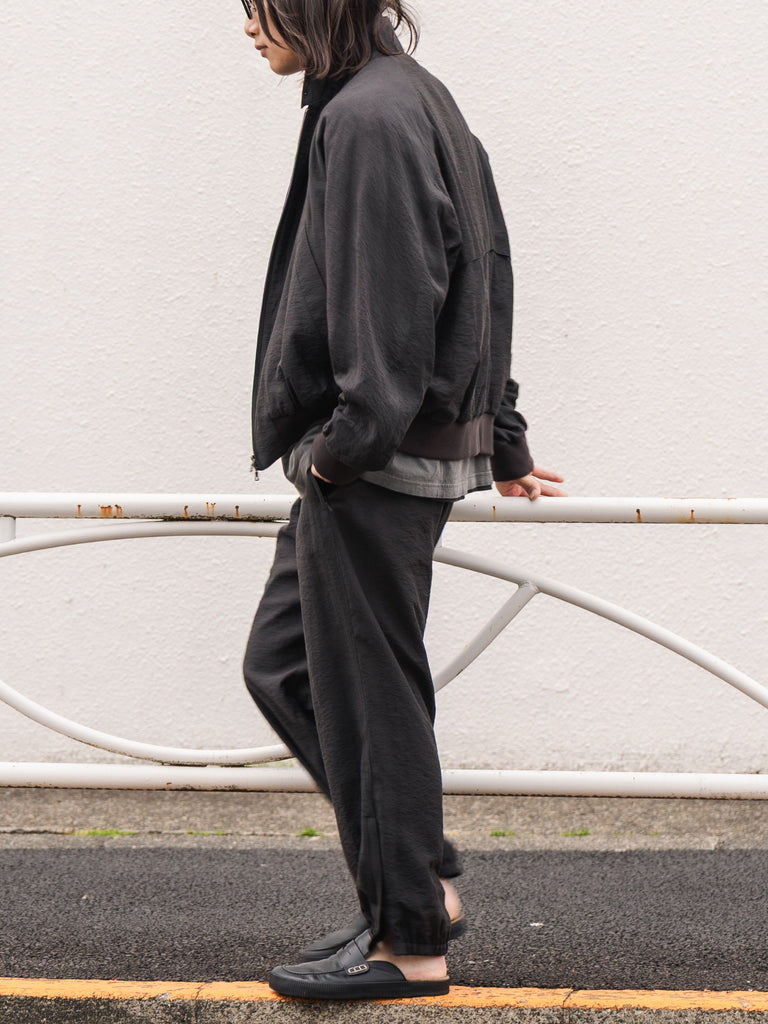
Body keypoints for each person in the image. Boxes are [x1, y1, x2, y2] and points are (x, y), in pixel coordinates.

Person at [239, 0, 566, 1000]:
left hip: (374, 465)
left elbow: (394, 301)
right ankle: (417, 883)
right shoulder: (407, 96)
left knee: (371, 700)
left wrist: (340, 454)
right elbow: (488, 267)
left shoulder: (370, 116)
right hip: (383, 458)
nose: (246, 25)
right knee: (285, 666)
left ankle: (412, 944)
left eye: (259, 4)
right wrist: (501, 437)